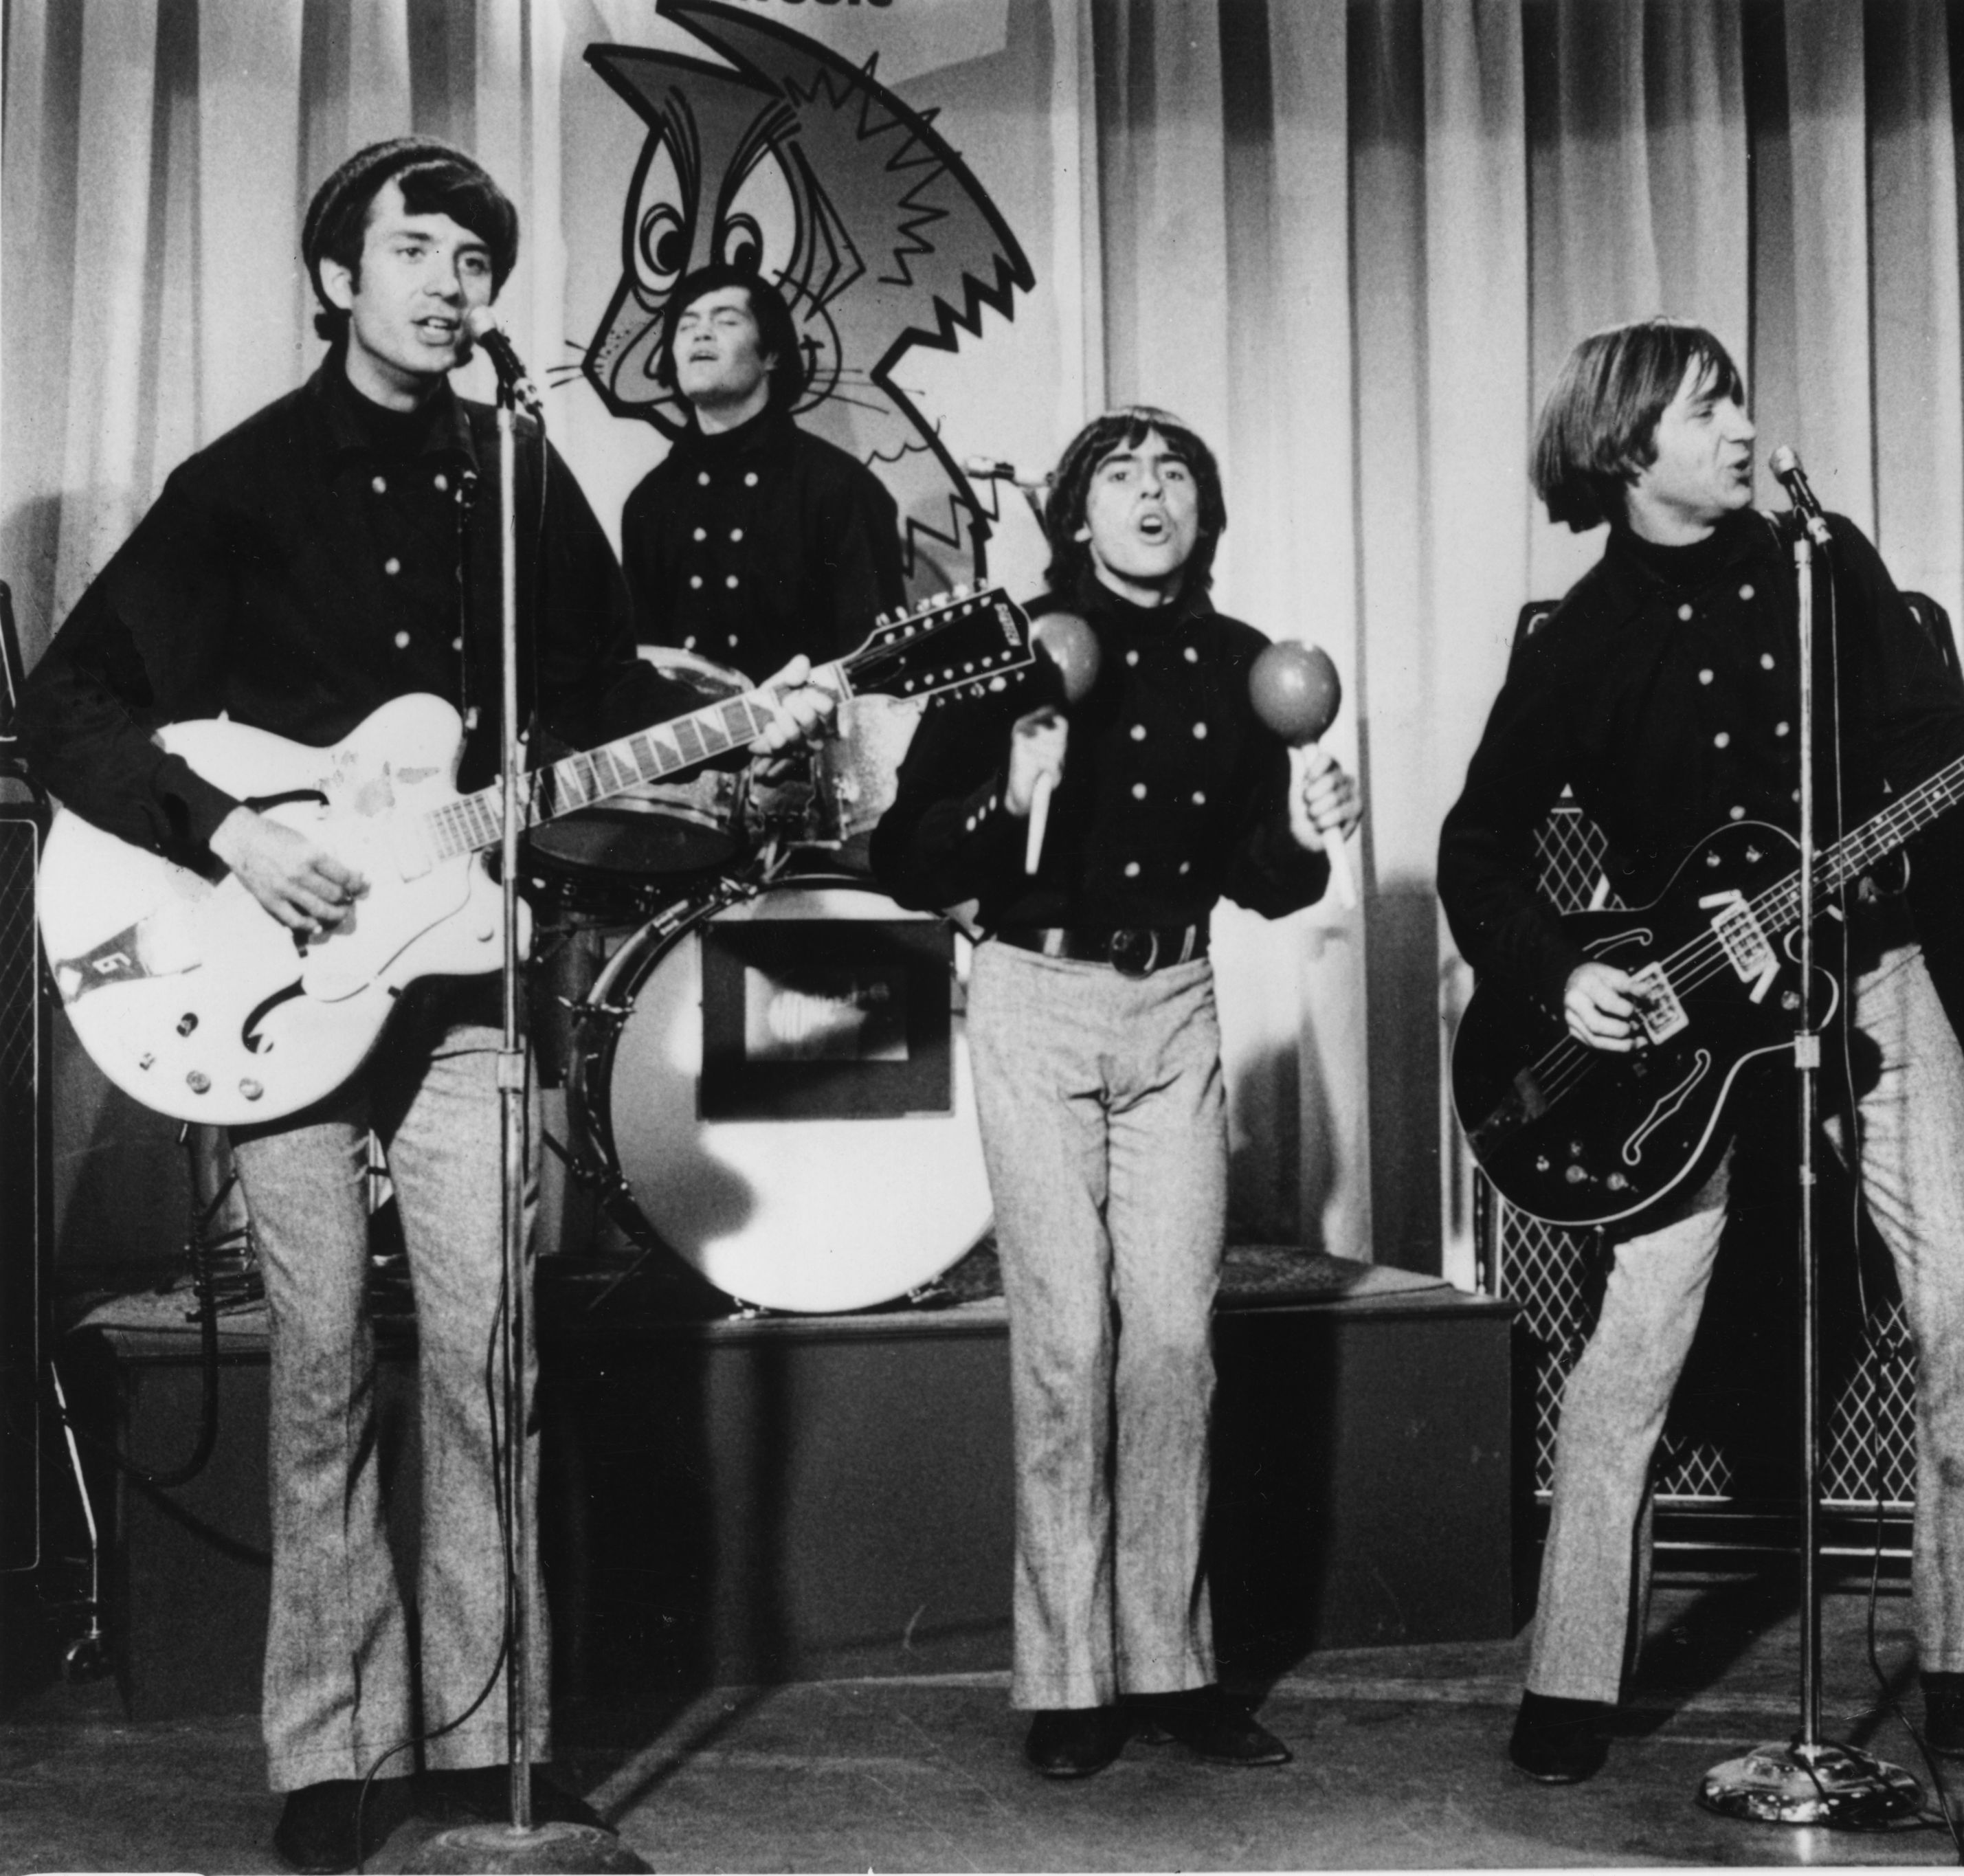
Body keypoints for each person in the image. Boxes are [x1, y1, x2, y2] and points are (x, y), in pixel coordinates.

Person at [18, 139, 829, 1872]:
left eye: (475, 255)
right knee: (322, 1372)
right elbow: (68, 701)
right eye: (414, 249)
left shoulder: (523, 474)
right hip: (281, 991)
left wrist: (733, 720)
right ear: (336, 282)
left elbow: (595, 693)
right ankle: (331, 1756)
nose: (453, 280)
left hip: (465, 973)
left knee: (488, 1358)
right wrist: (228, 830)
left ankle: (486, 1750)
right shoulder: (239, 483)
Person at [1436, 317, 1964, 1785]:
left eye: (1741, 397)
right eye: (1711, 407)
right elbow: (1478, 846)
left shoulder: (1824, 563)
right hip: (1679, 1033)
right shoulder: (1580, 646)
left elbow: (1930, 749)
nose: (1745, 424)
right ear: (1628, 448)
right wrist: (1566, 978)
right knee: (1633, 1347)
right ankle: (1570, 1686)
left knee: (1959, 1301)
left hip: (1867, 975)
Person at [871, 407, 1359, 1779]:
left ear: (1205, 513)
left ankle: (1174, 1668)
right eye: (1123, 476)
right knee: (1068, 1346)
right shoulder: (1008, 653)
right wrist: (1000, 798)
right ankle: (1073, 1684)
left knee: (1172, 1347)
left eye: (1178, 478)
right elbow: (906, 856)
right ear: (1078, 512)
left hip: (1175, 1011)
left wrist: (1311, 835)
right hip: (1033, 999)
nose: (1154, 495)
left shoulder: (1249, 667)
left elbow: (1266, 883)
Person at [620, 261, 905, 677]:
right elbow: (642, 666)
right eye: (686, 325)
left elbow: (880, 665)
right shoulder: (649, 502)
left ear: (771, 354)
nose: (701, 333)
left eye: (727, 321)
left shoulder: (837, 486)